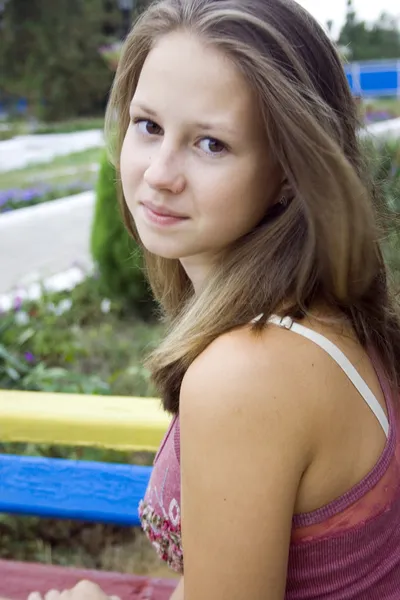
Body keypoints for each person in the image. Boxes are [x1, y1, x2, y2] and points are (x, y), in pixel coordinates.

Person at [28, 0, 400, 598]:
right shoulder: (325, 314)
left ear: (287, 172)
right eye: (148, 126)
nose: (160, 174)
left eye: (211, 144)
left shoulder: (247, 371)